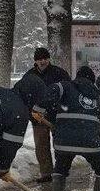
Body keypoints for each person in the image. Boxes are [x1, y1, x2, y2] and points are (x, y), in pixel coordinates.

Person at [48, 66, 100, 191]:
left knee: (60, 168)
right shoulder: (96, 98)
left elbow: (50, 96)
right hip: (89, 141)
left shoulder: (65, 88)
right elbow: (98, 125)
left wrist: (41, 111)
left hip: (64, 141)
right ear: (92, 80)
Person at [25, 47, 71, 183]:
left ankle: (61, 171)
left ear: (49, 59)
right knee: (41, 146)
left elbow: (69, 92)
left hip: (57, 116)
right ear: (35, 61)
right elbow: (24, 95)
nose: (43, 61)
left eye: (45, 58)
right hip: (37, 118)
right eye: (40, 59)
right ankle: (46, 173)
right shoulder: (29, 76)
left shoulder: (59, 73)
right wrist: (31, 112)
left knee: (60, 145)